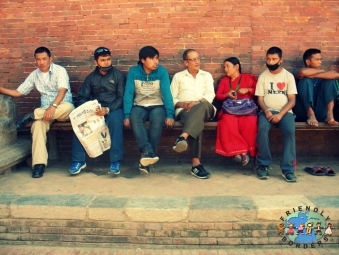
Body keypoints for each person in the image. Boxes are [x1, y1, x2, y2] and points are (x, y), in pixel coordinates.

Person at [0, 46, 74, 178]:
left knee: (68, 108)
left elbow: (62, 91)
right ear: (35, 60)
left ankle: (32, 115)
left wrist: (53, 107)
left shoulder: (59, 70)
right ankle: (38, 165)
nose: (41, 62)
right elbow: (18, 93)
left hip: (62, 107)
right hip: (45, 113)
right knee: (37, 126)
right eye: (38, 59)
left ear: (50, 59)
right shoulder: (34, 75)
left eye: (44, 59)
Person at [68, 47, 125, 175]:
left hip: (113, 109)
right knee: (80, 124)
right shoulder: (91, 78)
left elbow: (122, 98)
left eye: (108, 59)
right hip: (95, 111)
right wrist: (90, 109)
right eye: (103, 60)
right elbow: (82, 97)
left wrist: (108, 109)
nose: (106, 63)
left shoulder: (118, 76)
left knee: (115, 122)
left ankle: (115, 162)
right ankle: (78, 161)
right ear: (96, 62)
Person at [123, 46, 174, 174]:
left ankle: (145, 157)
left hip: (157, 105)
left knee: (157, 121)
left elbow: (167, 94)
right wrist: (127, 115)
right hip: (139, 105)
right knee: (135, 118)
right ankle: (148, 151)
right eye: (152, 58)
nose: (155, 61)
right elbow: (128, 93)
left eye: (157, 58)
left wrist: (170, 114)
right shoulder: (133, 72)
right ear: (143, 60)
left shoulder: (162, 72)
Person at [170, 49, 215, 179]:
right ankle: (196, 165)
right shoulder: (179, 77)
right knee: (196, 121)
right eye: (193, 59)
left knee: (202, 108)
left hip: (206, 108)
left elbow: (210, 95)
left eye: (198, 58)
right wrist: (183, 105)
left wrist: (197, 103)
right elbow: (171, 98)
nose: (197, 61)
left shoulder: (206, 76)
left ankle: (183, 136)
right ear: (186, 62)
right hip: (184, 110)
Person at [255, 46, 298, 182]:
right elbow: (260, 99)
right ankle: (263, 165)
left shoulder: (288, 76)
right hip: (266, 112)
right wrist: (266, 111)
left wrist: (280, 114)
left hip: (285, 112)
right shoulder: (263, 76)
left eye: (274, 59)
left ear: (281, 60)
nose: (271, 61)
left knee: (290, 132)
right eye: (268, 59)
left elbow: (292, 100)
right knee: (261, 130)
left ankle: (287, 169)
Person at [215, 57, 258, 165]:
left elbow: (260, 90)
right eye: (224, 67)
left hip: (247, 110)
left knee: (250, 122)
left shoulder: (248, 78)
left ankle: (240, 152)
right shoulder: (225, 81)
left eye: (227, 66)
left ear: (237, 66)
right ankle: (242, 152)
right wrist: (227, 94)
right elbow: (218, 96)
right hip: (230, 110)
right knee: (227, 122)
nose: (225, 69)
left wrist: (248, 90)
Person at [293, 48, 339, 126]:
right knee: (305, 80)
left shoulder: (324, 73)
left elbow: (336, 75)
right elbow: (303, 72)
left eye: (321, 59)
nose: (320, 62)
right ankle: (310, 114)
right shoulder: (296, 71)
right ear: (308, 62)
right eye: (317, 60)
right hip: (303, 112)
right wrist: (321, 72)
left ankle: (330, 114)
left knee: (330, 80)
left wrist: (316, 74)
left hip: (320, 111)